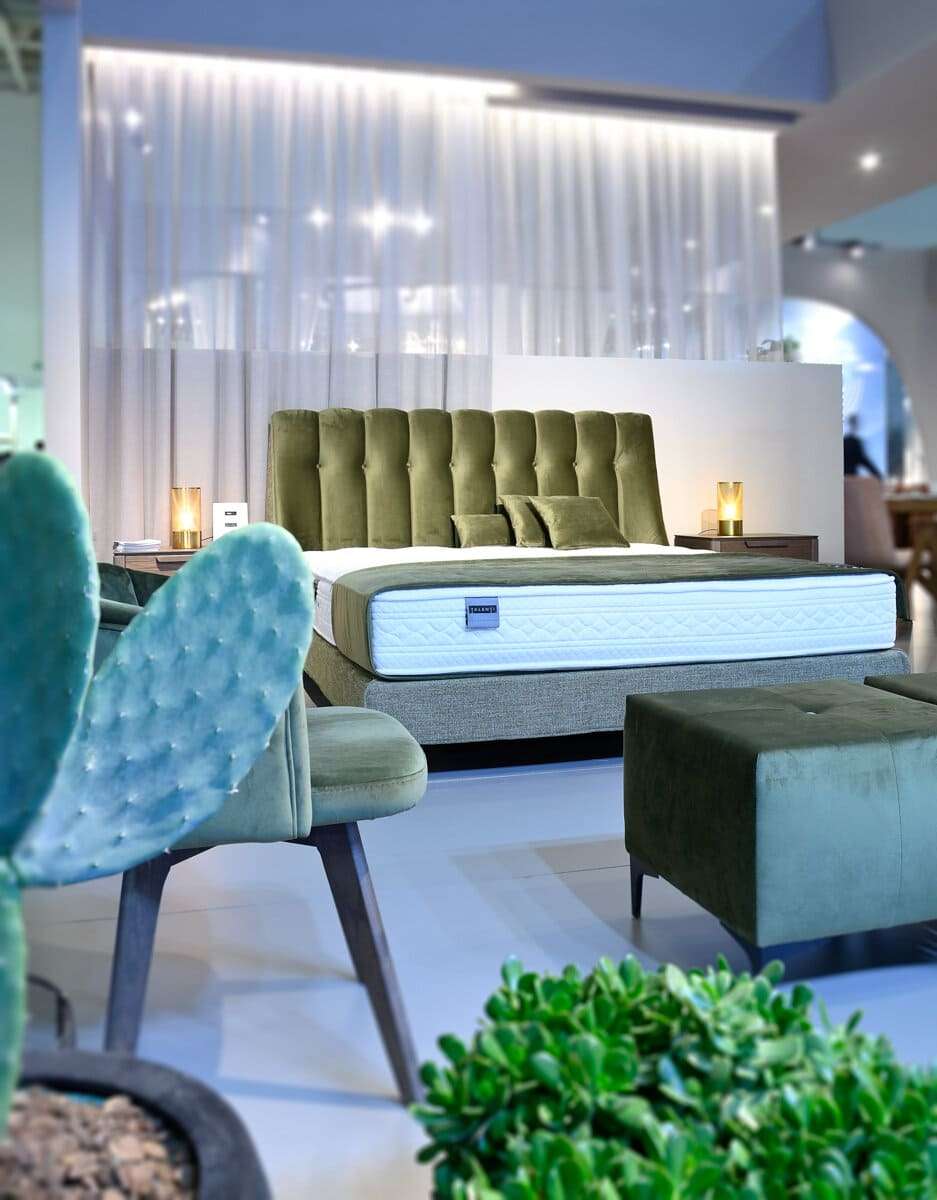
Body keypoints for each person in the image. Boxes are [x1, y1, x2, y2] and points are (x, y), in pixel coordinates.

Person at [843, 413, 881, 478]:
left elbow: (863, 460)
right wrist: (878, 475)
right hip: (850, 478)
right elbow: (863, 460)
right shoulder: (853, 442)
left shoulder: (847, 441)